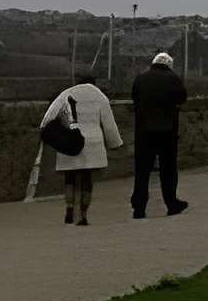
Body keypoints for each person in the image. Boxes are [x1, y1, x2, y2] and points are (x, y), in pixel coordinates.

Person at [37, 76, 123, 227]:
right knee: (87, 180)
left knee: (69, 178)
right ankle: (83, 216)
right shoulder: (99, 96)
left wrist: (50, 134)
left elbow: (49, 118)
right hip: (92, 143)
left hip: (70, 140)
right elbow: (109, 124)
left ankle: (70, 207)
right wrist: (114, 143)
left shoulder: (66, 94)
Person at [128, 50, 190, 218]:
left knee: (142, 171)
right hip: (167, 132)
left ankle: (139, 207)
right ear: (169, 65)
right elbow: (182, 98)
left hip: (144, 132)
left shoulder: (141, 78)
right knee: (168, 170)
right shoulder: (174, 79)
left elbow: (134, 98)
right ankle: (171, 203)